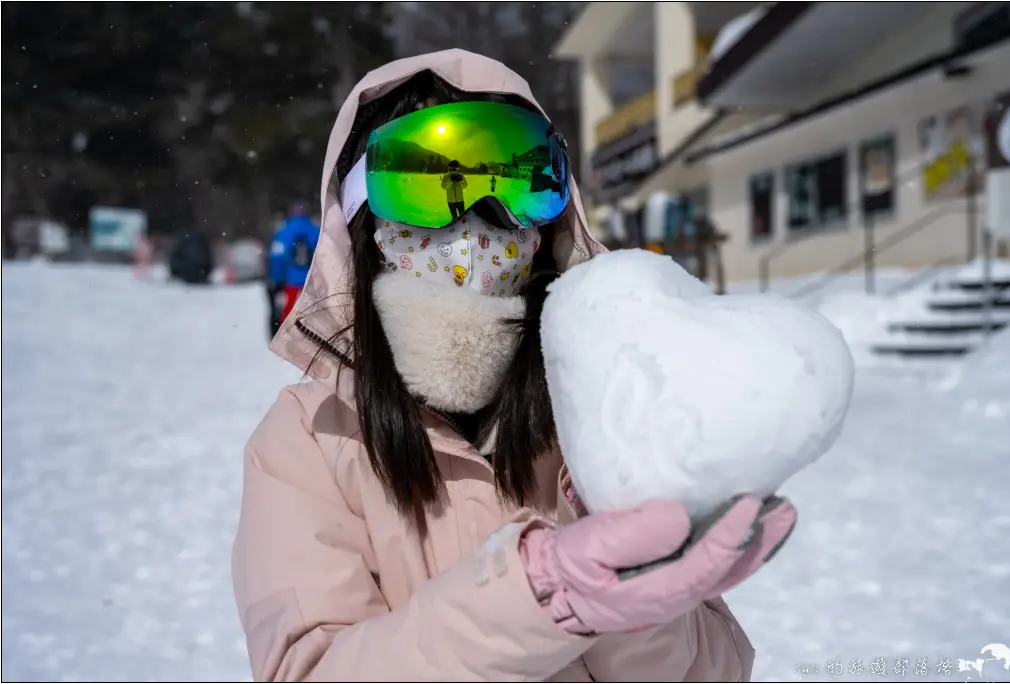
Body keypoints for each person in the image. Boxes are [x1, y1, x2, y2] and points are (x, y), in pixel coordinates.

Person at [232, 50, 798, 682]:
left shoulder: (604, 408)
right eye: (426, 183)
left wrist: (634, 608)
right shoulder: (308, 440)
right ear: (362, 216)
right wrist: (542, 596)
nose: (476, 224)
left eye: (512, 180)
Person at [266, 202, 320, 339]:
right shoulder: (316, 230)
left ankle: (289, 339)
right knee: (313, 315)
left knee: (290, 314)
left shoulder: (284, 232)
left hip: (291, 282)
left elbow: (277, 258)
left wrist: (277, 279)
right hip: (311, 283)